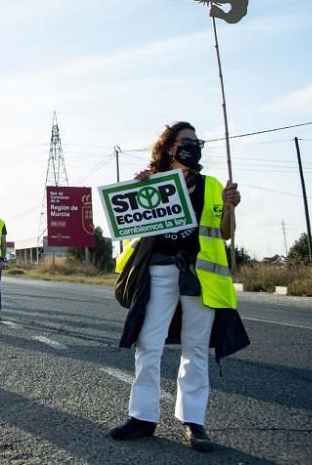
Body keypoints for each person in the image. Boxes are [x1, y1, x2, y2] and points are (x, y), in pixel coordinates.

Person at [108, 121, 245, 452]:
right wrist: (137, 191)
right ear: (170, 147)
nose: (193, 146)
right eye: (187, 141)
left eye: (197, 142)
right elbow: (132, 224)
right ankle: (142, 417)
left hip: (199, 276)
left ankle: (194, 422)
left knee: (195, 348)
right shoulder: (153, 182)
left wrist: (230, 207)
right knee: (149, 344)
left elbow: (225, 233)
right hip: (159, 272)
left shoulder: (212, 186)